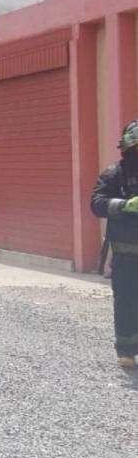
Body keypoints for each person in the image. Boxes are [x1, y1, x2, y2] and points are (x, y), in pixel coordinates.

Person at [91, 119, 138, 368]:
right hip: (126, 255)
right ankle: (127, 350)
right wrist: (123, 205)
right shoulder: (114, 174)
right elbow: (96, 203)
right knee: (127, 301)